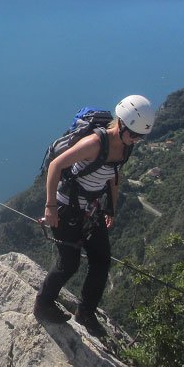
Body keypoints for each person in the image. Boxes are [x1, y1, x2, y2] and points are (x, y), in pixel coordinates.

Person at [33, 95, 155, 337]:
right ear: (120, 124)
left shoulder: (126, 146)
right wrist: (50, 207)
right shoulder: (95, 143)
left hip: (92, 208)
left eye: (140, 137)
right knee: (69, 263)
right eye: (133, 134)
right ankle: (43, 303)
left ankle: (85, 313)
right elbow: (56, 165)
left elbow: (113, 176)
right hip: (66, 206)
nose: (136, 140)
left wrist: (111, 207)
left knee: (101, 260)